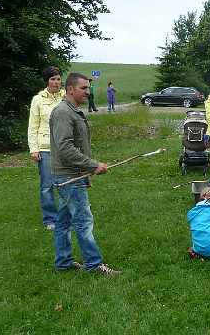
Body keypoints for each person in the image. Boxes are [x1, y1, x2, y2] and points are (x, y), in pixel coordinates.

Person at [49, 72, 120, 275]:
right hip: (69, 176)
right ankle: (94, 264)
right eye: (83, 88)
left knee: (64, 221)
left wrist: (87, 171)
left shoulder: (73, 111)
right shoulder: (63, 112)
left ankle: (63, 262)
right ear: (70, 89)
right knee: (83, 220)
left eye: (88, 88)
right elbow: (65, 147)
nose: (88, 92)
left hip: (73, 174)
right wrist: (92, 165)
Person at [27, 66, 66, 230]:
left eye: (58, 79)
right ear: (47, 81)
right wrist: (33, 149)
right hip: (45, 148)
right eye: (52, 79)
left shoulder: (66, 97)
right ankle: (50, 219)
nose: (56, 82)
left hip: (65, 146)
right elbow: (32, 126)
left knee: (66, 182)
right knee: (47, 185)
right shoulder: (38, 100)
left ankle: (66, 216)